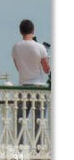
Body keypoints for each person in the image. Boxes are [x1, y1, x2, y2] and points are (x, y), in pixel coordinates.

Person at [11, 19, 50, 147]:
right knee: (39, 120)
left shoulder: (16, 47)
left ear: (20, 31)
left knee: (20, 120)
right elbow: (46, 70)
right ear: (33, 31)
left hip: (23, 87)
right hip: (38, 88)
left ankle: (20, 147)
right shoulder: (40, 47)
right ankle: (38, 149)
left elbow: (18, 67)